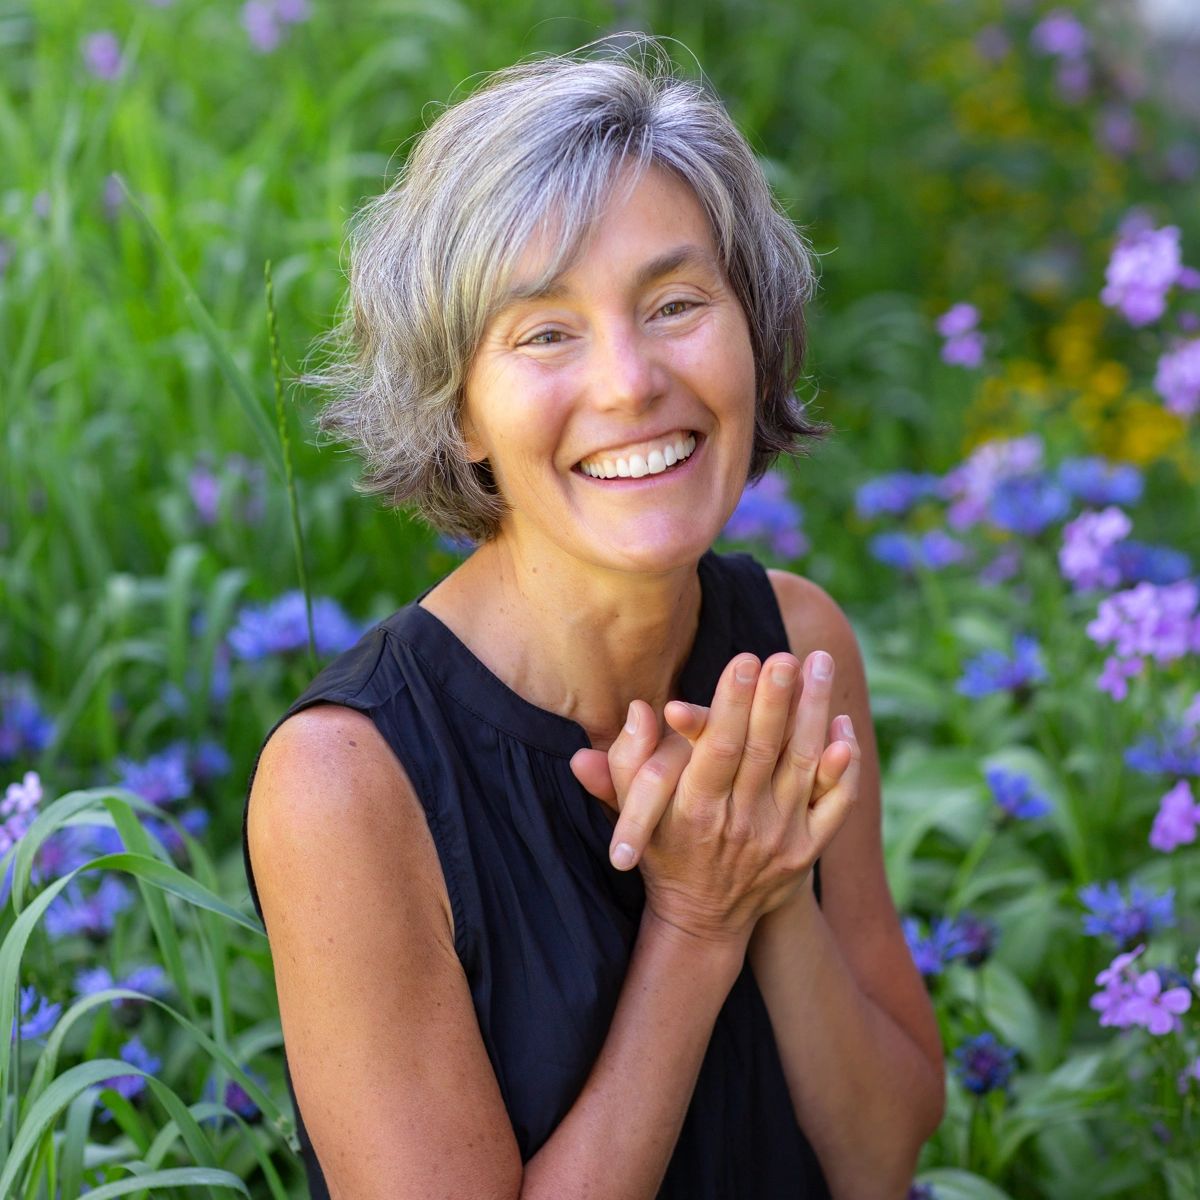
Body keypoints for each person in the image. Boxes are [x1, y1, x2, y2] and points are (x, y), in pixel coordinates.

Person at [243, 35, 944, 1200]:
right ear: (457, 412)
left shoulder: (798, 648)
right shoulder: (347, 786)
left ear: (752, 332)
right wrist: (699, 921)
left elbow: (879, 1161)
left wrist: (772, 890)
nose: (629, 381)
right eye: (546, 333)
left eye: (675, 304)